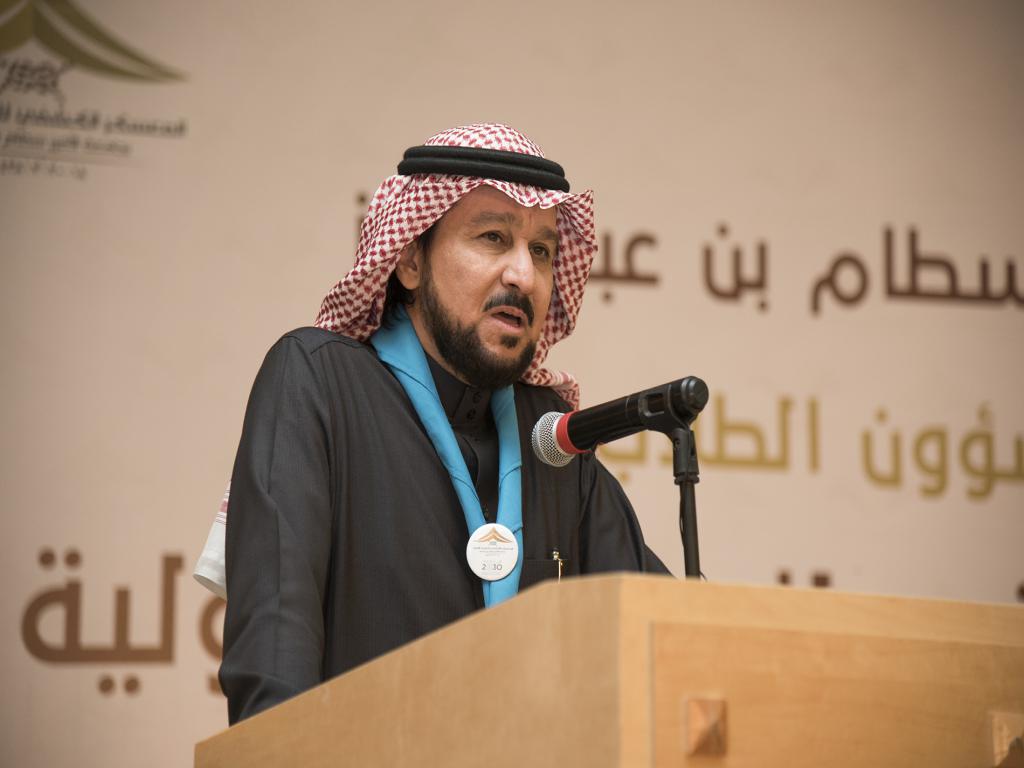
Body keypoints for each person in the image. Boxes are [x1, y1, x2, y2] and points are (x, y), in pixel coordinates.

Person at [215, 123, 668, 724]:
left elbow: (664, 634)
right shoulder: (320, 383)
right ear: (409, 258)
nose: (524, 275)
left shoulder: (552, 437)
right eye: (493, 237)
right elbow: (273, 668)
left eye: (541, 250)